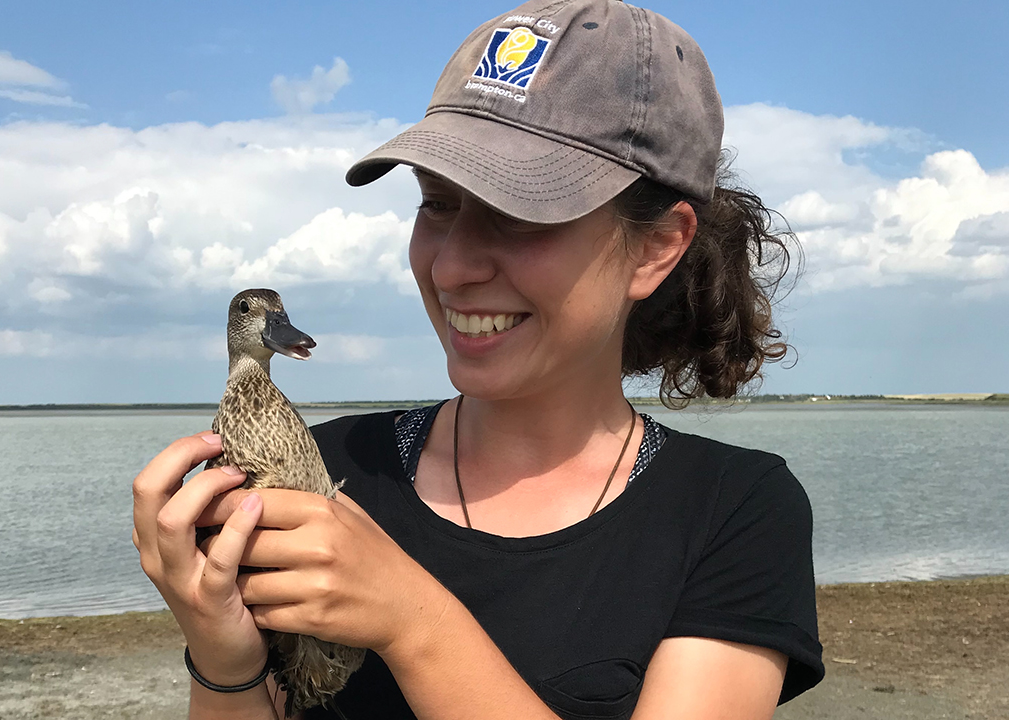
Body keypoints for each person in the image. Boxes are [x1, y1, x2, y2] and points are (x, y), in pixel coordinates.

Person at [132, 1, 825, 718]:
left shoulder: (733, 513)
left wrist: (413, 621)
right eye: (436, 203)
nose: (454, 265)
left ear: (655, 247)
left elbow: (414, 622)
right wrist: (222, 653)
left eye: (519, 214)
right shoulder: (327, 470)